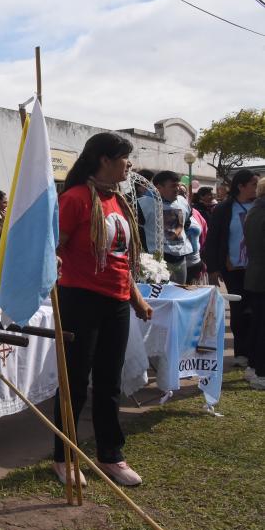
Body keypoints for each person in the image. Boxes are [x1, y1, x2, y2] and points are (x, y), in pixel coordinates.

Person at [55, 132, 152, 487]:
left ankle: (111, 455)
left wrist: (136, 298)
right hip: (79, 299)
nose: (129, 164)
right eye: (125, 158)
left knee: (109, 381)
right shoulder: (76, 199)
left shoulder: (118, 202)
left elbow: (121, 259)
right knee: (76, 381)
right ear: (105, 160)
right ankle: (64, 456)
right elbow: (55, 247)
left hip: (115, 302)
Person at [206, 169, 260, 368]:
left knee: (256, 309)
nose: (257, 188)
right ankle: (241, 352)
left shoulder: (259, 206)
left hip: (257, 268)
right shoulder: (224, 208)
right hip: (233, 267)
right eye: (253, 184)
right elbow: (213, 240)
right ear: (241, 186)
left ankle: (255, 351)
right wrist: (213, 268)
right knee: (239, 309)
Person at [151, 171, 193, 284]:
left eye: (178, 185)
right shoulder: (148, 204)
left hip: (181, 258)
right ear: (159, 188)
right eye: (173, 186)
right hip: (159, 260)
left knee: (180, 292)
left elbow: (187, 222)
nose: (178, 189)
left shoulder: (183, 202)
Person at [243, 180, 265, 389]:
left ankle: (253, 366)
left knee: (258, 325)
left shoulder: (255, 209)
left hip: (256, 274)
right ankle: (260, 372)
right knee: (261, 327)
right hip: (261, 275)